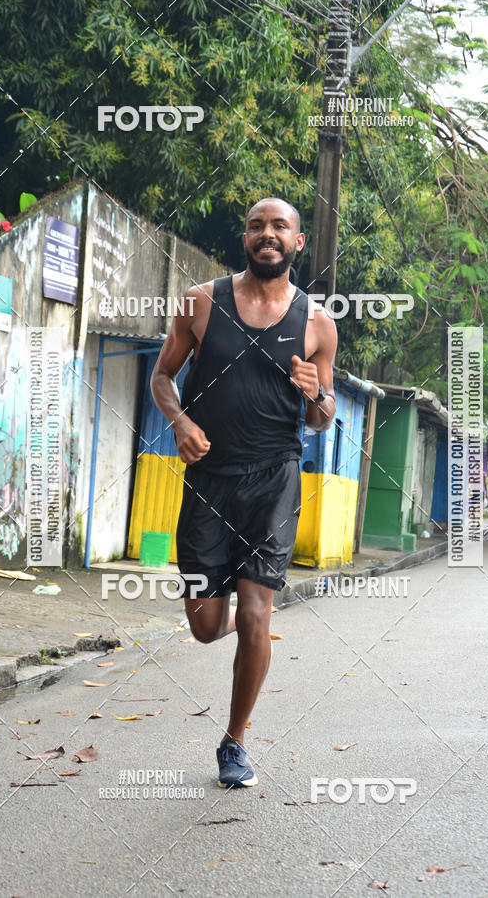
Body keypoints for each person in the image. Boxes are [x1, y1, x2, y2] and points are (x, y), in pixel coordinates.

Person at [150, 197, 337, 788]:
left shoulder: (316, 324)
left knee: (258, 612)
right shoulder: (201, 302)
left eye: (280, 226)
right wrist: (179, 422)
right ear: (246, 237)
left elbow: (321, 418)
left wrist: (314, 393)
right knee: (208, 625)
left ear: (297, 242)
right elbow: (162, 376)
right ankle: (229, 616)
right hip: (208, 482)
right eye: (257, 225)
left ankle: (234, 743)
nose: (267, 234)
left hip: (274, 481)